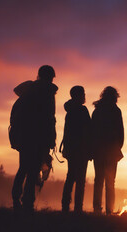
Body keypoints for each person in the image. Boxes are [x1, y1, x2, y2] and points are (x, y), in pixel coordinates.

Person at [11, 65, 58, 213]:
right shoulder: (48, 92)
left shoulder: (29, 90)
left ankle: (16, 200)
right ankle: (28, 202)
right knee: (33, 170)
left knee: (23, 168)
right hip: (40, 137)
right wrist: (52, 139)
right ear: (51, 77)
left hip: (25, 136)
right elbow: (50, 118)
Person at [91, 86, 124, 215]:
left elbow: (92, 131)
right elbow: (120, 132)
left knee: (99, 179)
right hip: (111, 151)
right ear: (115, 97)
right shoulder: (116, 111)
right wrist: (118, 147)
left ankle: (97, 208)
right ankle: (109, 210)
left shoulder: (97, 111)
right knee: (110, 181)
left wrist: (93, 148)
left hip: (99, 150)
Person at [60, 86, 91, 213]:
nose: (85, 96)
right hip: (81, 149)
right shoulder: (82, 111)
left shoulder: (69, 111)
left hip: (71, 149)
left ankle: (65, 205)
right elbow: (89, 130)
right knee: (80, 180)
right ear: (79, 95)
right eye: (83, 93)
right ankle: (78, 207)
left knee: (70, 177)